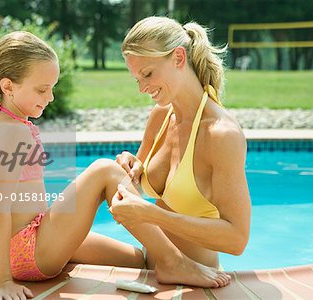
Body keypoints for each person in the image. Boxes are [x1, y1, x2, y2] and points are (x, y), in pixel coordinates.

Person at [0, 31, 148, 300]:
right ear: (8, 86)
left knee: (138, 260)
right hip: (28, 250)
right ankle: (173, 260)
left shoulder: (3, 121)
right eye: (43, 89)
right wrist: (3, 280)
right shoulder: (10, 132)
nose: (51, 97)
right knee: (105, 170)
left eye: (52, 87)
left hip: (32, 240)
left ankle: (166, 258)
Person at [109, 16, 251, 286]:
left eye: (147, 74)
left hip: (195, 279)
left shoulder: (221, 135)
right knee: (58, 252)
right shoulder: (162, 115)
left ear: (178, 57)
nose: (142, 88)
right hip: (153, 265)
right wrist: (132, 167)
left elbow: (237, 239)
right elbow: (135, 192)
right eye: (136, 78)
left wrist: (152, 214)